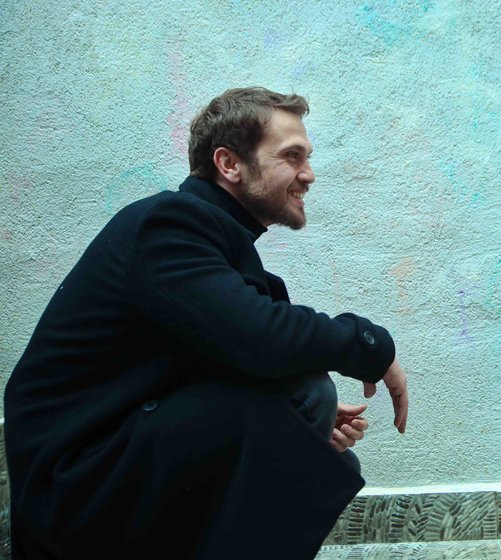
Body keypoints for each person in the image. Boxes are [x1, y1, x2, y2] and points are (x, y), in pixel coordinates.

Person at [4, 87, 409, 560]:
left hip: (112, 466)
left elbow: (231, 354)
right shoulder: (168, 225)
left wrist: (300, 421)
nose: (309, 174)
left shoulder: (216, 243)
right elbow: (262, 336)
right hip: (73, 489)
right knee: (301, 401)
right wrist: (370, 346)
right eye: (291, 156)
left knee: (311, 428)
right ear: (229, 164)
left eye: (308, 157)